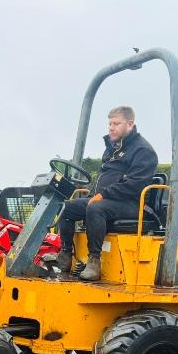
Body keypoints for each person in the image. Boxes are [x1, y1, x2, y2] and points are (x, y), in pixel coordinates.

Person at [57, 106, 158, 281]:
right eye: (110, 123)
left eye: (116, 123)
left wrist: (102, 195)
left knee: (96, 207)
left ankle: (94, 260)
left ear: (130, 124)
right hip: (108, 200)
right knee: (65, 208)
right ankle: (66, 253)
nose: (111, 127)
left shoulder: (143, 150)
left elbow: (133, 185)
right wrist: (98, 194)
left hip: (131, 204)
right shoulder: (114, 148)